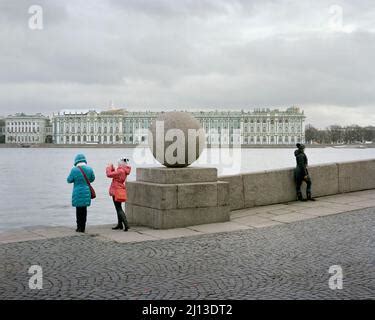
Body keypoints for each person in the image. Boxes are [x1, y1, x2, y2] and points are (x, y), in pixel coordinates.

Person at [67, 154, 95, 232]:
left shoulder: (74, 170)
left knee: (78, 210)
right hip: (86, 191)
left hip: (77, 192)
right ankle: (83, 227)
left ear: (76, 161)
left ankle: (79, 227)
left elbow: (69, 180)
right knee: (84, 210)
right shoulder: (89, 169)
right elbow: (92, 179)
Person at [106, 158, 131, 231]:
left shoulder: (120, 171)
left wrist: (108, 167)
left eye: (118, 164)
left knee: (118, 208)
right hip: (119, 189)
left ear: (120, 164)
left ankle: (126, 225)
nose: (118, 165)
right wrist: (113, 168)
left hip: (116, 190)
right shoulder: (124, 170)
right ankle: (120, 224)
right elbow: (115, 175)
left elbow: (109, 174)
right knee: (118, 207)